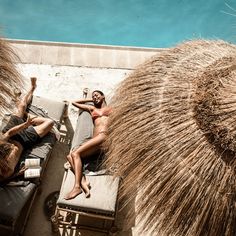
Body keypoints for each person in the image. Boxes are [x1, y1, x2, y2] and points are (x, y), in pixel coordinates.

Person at [0, 77, 54, 181]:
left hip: (13, 132)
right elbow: (7, 179)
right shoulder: (4, 175)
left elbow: (9, 133)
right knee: (50, 122)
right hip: (25, 141)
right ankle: (26, 115)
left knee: (22, 105)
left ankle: (32, 88)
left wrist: (25, 125)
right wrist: (19, 173)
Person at [65, 89, 112, 200]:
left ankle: (77, 187)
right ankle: (83, 181)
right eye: (93, 96)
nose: (95, 97)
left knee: (76, 153)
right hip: (96, 142)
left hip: (104, 137)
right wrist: (91, 99)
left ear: (103, 96)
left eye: (97, 95)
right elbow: (75, 102)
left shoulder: (111, 109)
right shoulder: (92, 109)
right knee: (70, 156)